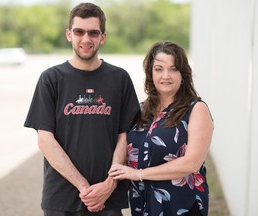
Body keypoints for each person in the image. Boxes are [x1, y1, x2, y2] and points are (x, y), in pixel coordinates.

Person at [24, 3, 140, 216]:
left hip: (108, 199)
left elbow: (125, 136)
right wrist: (85, 188)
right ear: (69, 34)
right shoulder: (51, 79)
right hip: (61, 198)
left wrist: (109, 184)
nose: (86, 39)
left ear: (102, 37)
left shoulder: (120, 79)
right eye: (79, 31)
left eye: (93, 32)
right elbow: (45, 140)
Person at [109, 41, 214, 216]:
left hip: (181, 206)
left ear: (183, 74)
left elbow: (191, 163)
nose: (166, 75)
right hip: (142, 205)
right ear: (150, 73)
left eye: (173, 69)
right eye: (159, 69)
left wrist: (139, 174)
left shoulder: (196, 109)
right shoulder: (140, 110)